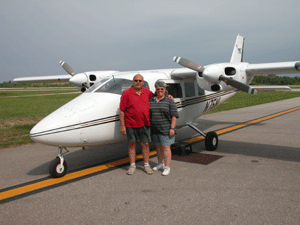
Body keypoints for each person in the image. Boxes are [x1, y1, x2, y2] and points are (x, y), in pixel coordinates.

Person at [119, 74, 154, 175]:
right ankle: (132, 165)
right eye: (136, 80)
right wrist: (122, 125)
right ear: (133, 82)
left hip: (145, 123)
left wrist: (169, 96)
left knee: (145, 144)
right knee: (132, 145)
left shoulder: (147, 92)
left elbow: (156, 97)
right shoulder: (126, 93)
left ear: (143, 82)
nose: (138, 82)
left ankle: (146, 165)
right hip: (131, 124)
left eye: (140, 81)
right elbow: (122, 111)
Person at [150, 80, 179, 176]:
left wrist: (172, 128)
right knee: (158, 148)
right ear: (156, 89)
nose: (160, 90)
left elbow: (174, 115)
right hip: (155, 129)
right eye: (158, 89)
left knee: (166, 148)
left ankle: (167, 167)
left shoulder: (169, 101)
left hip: (166, 129)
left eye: (162, 89)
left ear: (165, 89)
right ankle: (160, 164)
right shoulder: (151, 100)